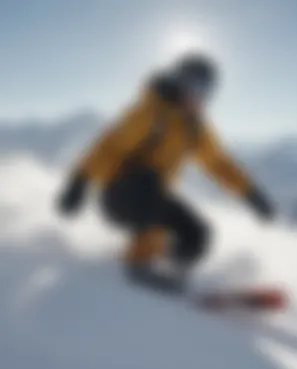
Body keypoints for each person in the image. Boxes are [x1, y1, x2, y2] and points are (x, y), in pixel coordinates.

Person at [57, 52, 275, 296]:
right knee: (148, 184)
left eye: (206, 91)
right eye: (195, 87)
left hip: (153, 196)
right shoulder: (151, 112)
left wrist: (250, 193)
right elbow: (110, 146)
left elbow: (218, 162)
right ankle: (139, 265)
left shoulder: (195, 127)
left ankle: (173, 270)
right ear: (179, 80)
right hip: (120, 196)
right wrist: (80, 181)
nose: (199, 97)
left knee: (198, 234)